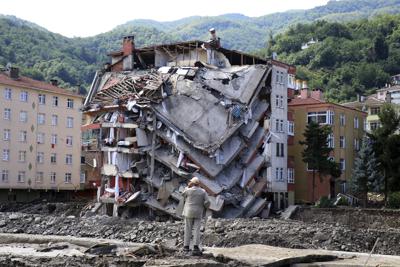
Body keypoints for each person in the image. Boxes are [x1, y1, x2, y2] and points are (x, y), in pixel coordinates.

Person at [182, 176, 210, 255]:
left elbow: (183, 194)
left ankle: (186, 247)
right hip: (198, 212)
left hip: (188, 212)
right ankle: (195, 247)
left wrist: (188, 186)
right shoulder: (203, 191)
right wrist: (205, 207)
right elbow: (207, 201)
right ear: (198, 184)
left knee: (187, 229)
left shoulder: (188, 190)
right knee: (197, 230)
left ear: (192, 183)